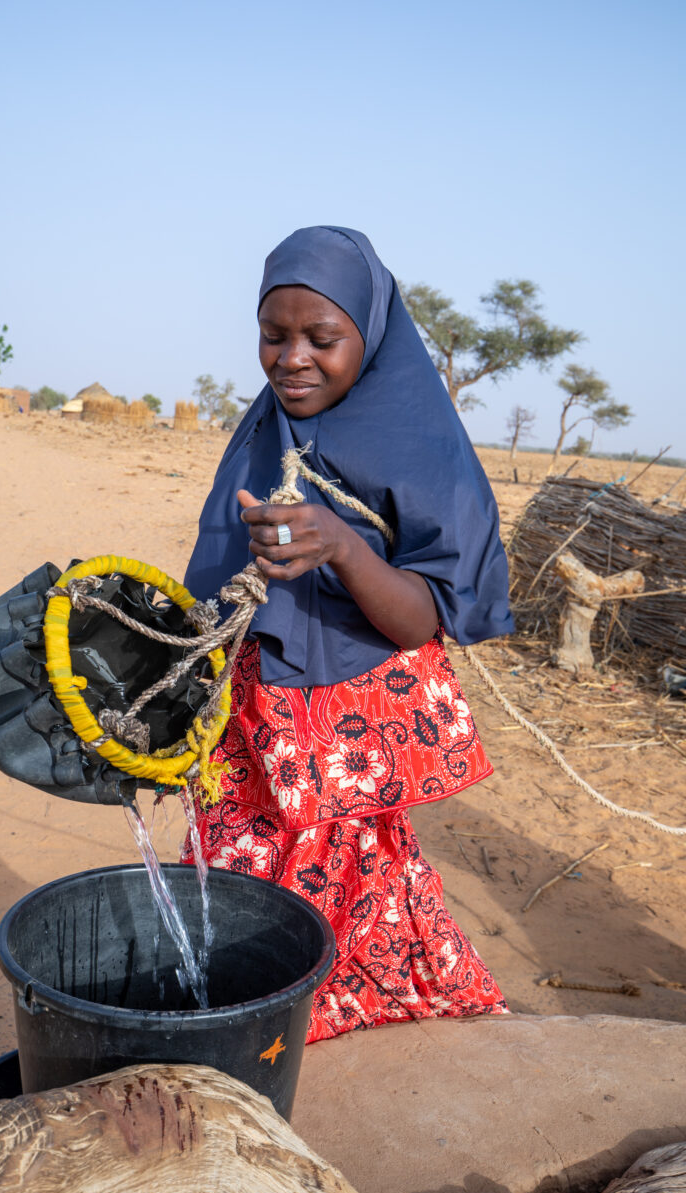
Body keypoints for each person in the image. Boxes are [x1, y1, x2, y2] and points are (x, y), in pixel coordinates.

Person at [181, 226, 514, 1043]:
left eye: (320, 339)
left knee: (351, 888)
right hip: (256, 727)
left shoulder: (424, 447)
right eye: (273, 335)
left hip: (350, 737)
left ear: (370, 337)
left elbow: (419, 619)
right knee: (231, 884)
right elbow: (218, 585)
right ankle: (254, 1013)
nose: (292, 358)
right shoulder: (264, 431)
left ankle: (306, 1017)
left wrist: (340, 544)